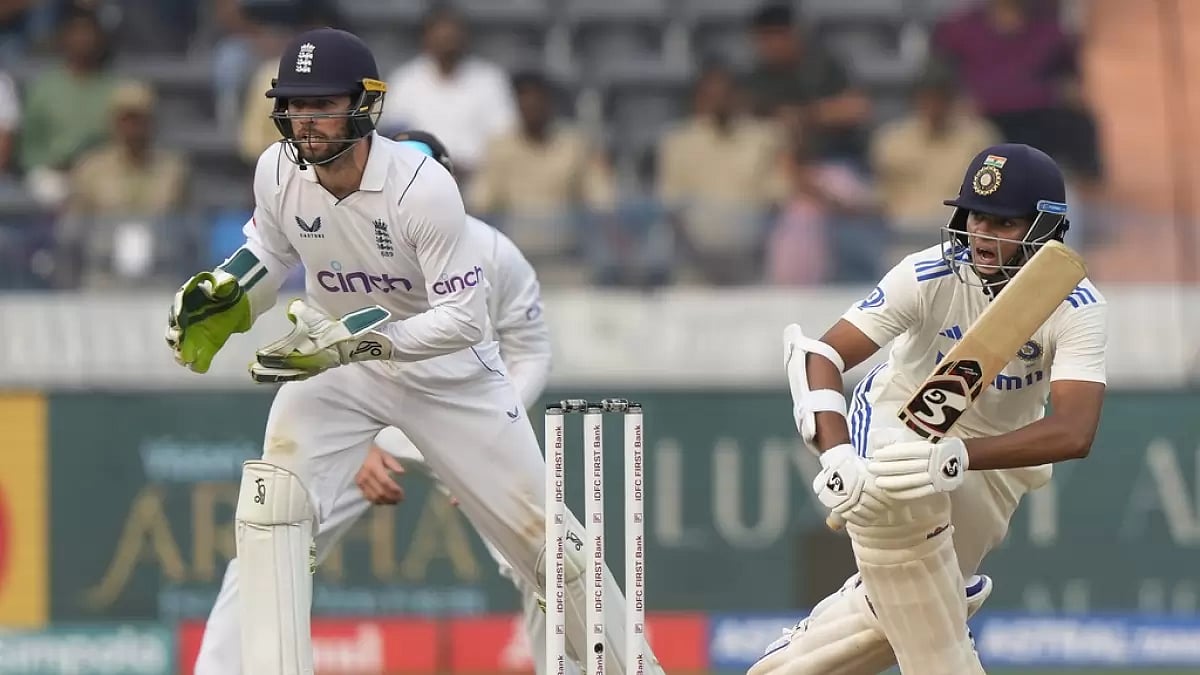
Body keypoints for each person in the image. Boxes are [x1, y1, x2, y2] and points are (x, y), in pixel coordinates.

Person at [165, 28, 659, 675]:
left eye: (323, 105)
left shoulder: (422, 188)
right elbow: (270, 253)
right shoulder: (277, 172)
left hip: (446, 376)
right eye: (295, 105)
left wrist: (359, 340)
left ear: (364, 106)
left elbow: (462, 320)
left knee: (550, 549)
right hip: (338, 368)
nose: (307, 122)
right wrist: (228, 292)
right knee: (272, 505)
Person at [190, 130, 576, 675]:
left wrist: (486, 449)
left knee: (540, 552)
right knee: (274, 535)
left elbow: (531, 352)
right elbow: (325, 332)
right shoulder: (346, 227)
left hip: (455, 404)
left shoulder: (491, 252)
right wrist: (363, 441)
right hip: (366, 410)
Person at [752, 143, 1107, 674]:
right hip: (902, 419)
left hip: (994, 461)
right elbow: (820, 354)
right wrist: (838, 456)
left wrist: (958, 456)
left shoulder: (1077, 308)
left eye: (1005, 224)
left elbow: (1074, 432)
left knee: (919, 599)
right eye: (977, 217)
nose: (983, 237)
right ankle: (938, 595)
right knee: (903, 527)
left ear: (1044, 230)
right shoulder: (928, 273)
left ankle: (792, 659)